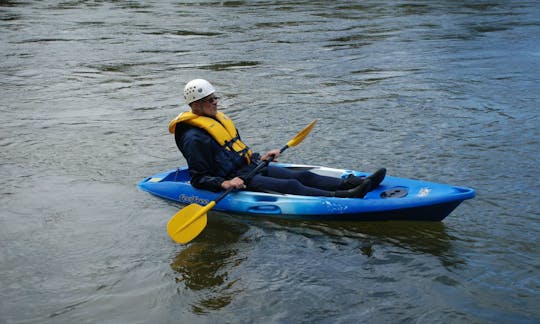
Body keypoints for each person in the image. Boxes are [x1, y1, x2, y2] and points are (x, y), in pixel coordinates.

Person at [169, 79, 386, 198]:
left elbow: (233, 151)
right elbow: (198, 178)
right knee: (292, 184)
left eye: (215, 97)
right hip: (239, 179)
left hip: (250, 167)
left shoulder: (215, 119)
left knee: (304, 175)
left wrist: (258, 157)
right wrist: (225, 182)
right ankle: (345, 196)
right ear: (195, 105)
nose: (215, 102)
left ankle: (355, 183)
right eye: (209, 100)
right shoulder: (193, 137)